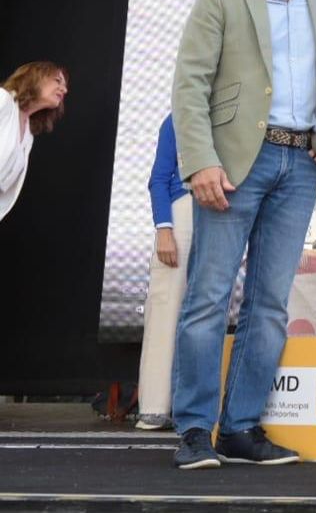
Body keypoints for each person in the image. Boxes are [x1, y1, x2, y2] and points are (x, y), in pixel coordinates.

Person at [169, 0, 316, 470]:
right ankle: (196, 429)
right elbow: (190, 86)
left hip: (299, 167)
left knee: (270, 305)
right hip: (230, 168)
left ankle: (241, 428)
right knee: (207, 299)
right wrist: (200, 160)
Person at [135, 113, 191, 431]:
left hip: (225, 211)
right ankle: (155, 405)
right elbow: (159, 178)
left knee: (210, 313)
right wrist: (164, 228)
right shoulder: (178, 117)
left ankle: (196, 406)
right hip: (183, 210)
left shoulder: (242, 115)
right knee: (164, 307)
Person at [0, 61, 68, 222]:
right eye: (57, 81)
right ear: (35, 78)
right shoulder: (3, 100)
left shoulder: (28, 134)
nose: (64, 89)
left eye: (65, 85)